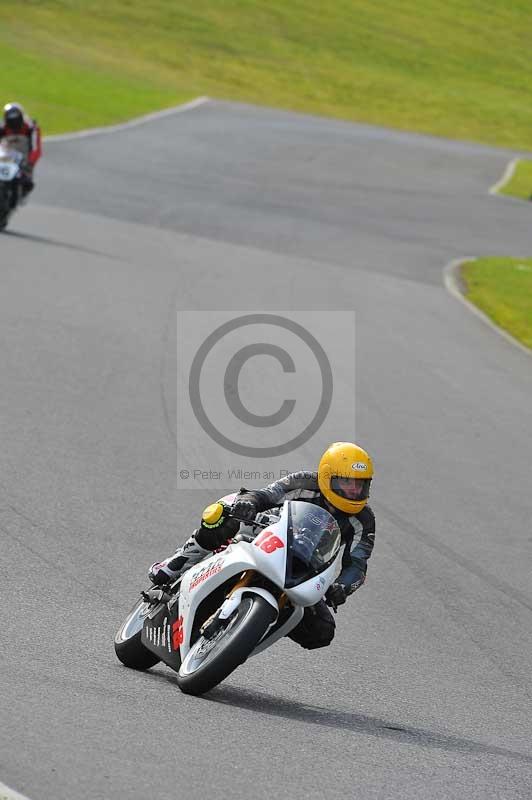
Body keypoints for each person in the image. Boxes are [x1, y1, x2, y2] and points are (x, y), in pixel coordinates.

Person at [150, 442, 375, 650]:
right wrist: (249, 503)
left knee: (322, 631)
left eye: (360, 485)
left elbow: (357, 564)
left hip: (302, 567)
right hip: (262, 536)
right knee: (221, 515)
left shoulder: (363, 520)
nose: (354, 491)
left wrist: (343, 587)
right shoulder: (303, 483)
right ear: (327, 476)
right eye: (346, 482)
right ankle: (177, 563)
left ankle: (250, 629)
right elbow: (266, 494)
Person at [0, 103, 42, 197]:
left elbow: (36, 148)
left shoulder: (31, 127)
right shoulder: (2, 127)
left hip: (24, 155)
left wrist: (30, 164)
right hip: (6, 154)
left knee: (26, 182)